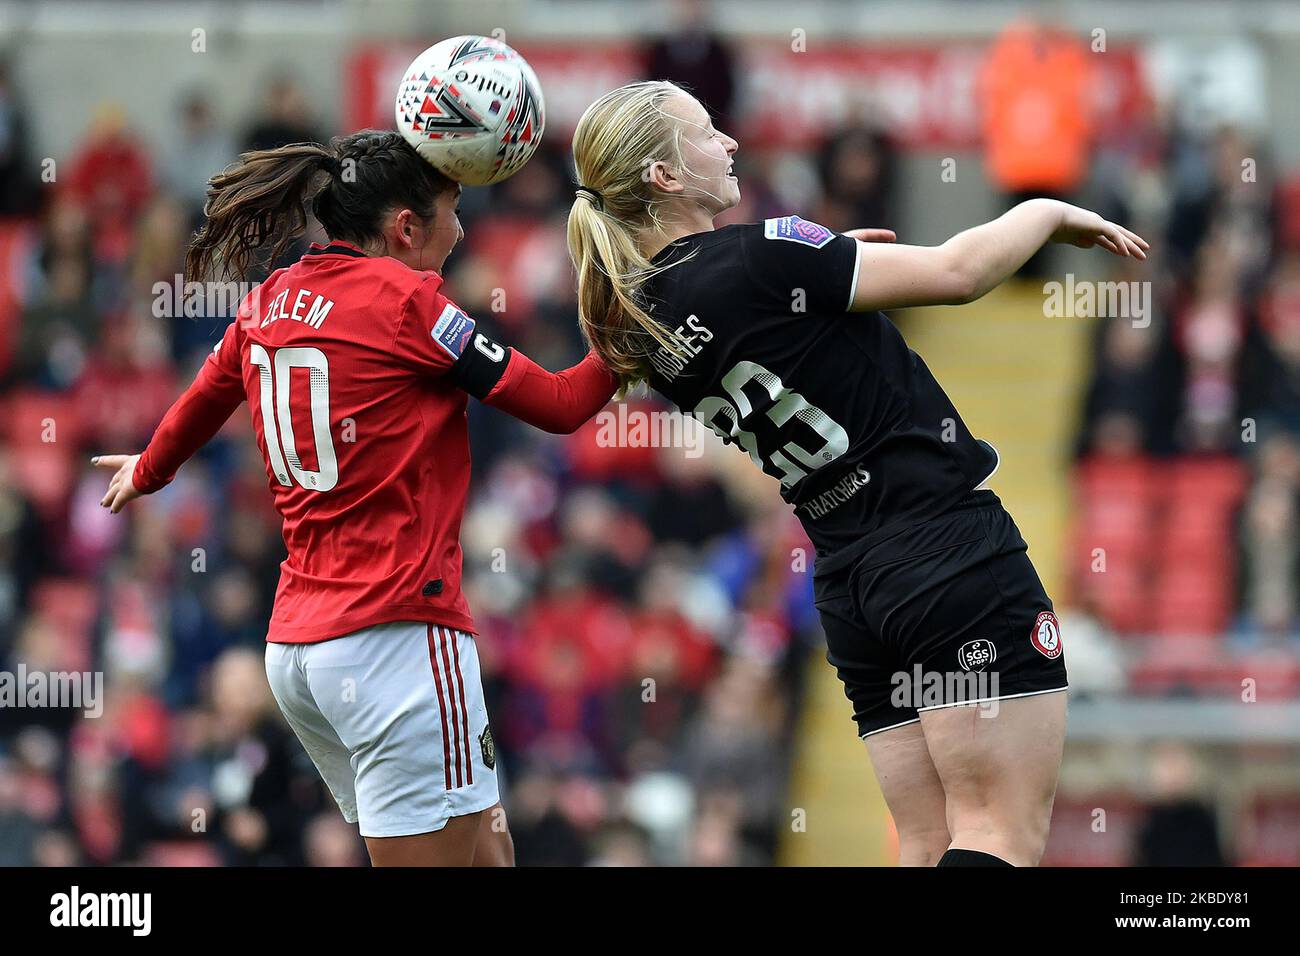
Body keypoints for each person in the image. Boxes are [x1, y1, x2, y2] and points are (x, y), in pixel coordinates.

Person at [565, 81, 1149, 866]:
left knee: (925, 841)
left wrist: (817, 264)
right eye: (706, 133)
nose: (730, 142)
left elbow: (770, 324)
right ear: (665, 178)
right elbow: (959, 273)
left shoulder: (642, 318)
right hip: (944, 550)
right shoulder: (754, 253)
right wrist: (1044, 213)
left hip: (851, 582)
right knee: (998, 835)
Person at [93, 130, 617, 866]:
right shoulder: (408, 302)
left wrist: (148, 468)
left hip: (299, 652)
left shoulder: (271, 299)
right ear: (406, 227)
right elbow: (562, 405)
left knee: (486, 839)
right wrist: (633, 329)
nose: (462, 230)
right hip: (395, 638)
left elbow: (205, 396)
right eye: (451, 210)